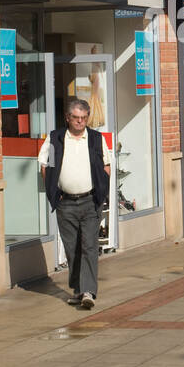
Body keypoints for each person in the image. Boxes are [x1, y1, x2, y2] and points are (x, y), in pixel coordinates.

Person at [38, 97, 111, 308]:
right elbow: (46, 166)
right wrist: (55, 194)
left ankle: (88, 292)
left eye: (84, 118)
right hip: (65, 203)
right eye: (76, 118)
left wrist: (101, 191)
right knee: (72, 248)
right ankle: (79, 291)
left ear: (87, 118)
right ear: (68, 118)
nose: (80, 122)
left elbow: (106, 166)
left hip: (90, 201)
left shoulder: (96, 139)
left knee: (89, 245)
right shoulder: (55, 139)